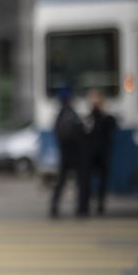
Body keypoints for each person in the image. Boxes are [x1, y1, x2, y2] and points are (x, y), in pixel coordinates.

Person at [49, 86, 87, 217]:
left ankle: (54, 208)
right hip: (74, 154)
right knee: (79, 182)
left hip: (65, 154)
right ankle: (81, 209)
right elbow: (77, 133)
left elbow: (57, 133)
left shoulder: (61, 114)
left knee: (61, 183)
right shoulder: (71, 114)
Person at [83, 88, 116, 215]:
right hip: (91, 154)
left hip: (103, 154)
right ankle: (86, 205)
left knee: (103, 181)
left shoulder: (106, 117)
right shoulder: (89, 117)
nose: (95, 101)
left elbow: (112, 126)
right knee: (88, 181)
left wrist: (103, 111)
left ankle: (100, 205)